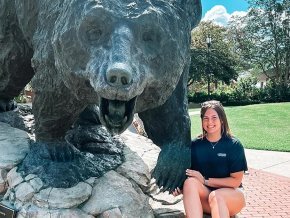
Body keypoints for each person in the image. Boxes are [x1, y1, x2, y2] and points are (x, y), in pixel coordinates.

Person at [172, 100, 248, 218]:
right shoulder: (195, 145)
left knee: (217, 196)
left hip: (232, 196)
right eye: (206, 118)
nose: (210, 122)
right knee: (189, 183)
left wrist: (205, 180)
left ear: (221, 120)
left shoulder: (234, 145)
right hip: (206, 196)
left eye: (214, 117)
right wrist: (179, 188)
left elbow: (235, 181)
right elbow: (189, 174)